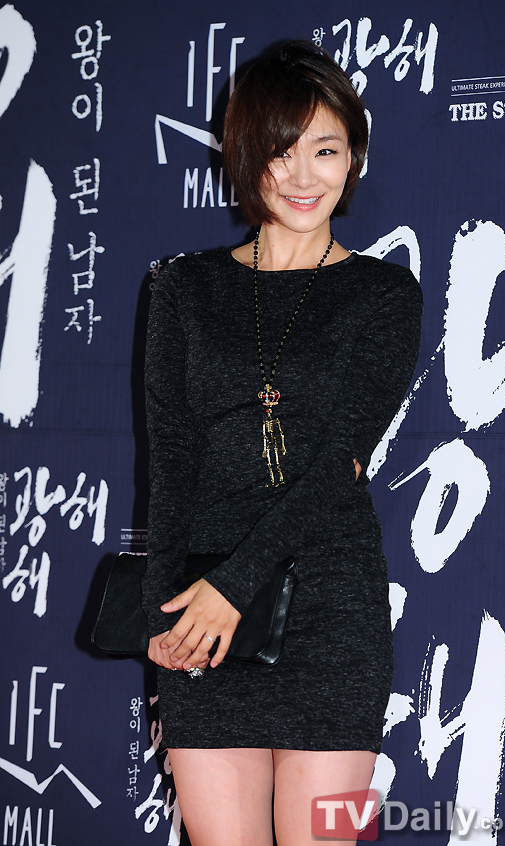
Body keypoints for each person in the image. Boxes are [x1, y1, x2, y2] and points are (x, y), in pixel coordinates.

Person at [142, 40, 422, 846]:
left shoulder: (383, 293)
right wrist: (162, 619)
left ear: (353, 156)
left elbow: (339, 465)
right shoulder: (183, 288)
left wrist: (234, 587)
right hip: (201, 615)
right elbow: (170, 460)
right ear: (244, 155)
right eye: (280, 150)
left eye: (325, 150)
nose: (303, 175)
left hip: (330, 611)